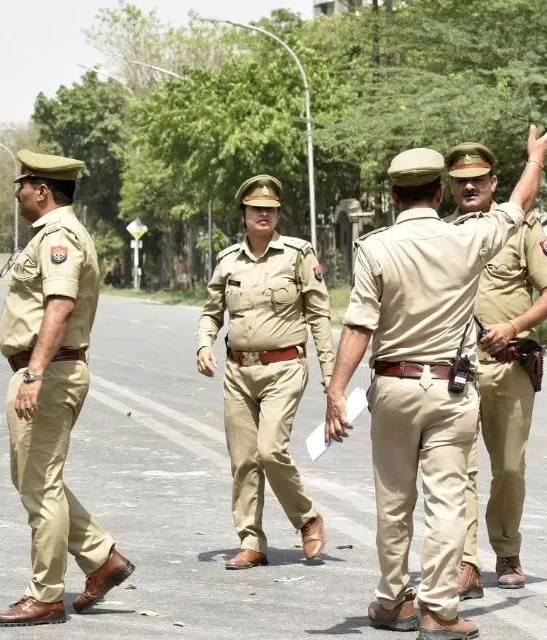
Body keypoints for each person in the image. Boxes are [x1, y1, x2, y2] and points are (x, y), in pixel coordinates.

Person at [325, 130, 547, 638]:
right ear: (441, 192)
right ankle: (439, 610)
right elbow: (517, 204)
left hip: (394, 388)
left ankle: (390, 601)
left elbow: (358, 325)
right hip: (452, 390)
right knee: (448, 499)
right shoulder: (468, 237)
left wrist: (336, 391)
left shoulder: (374, 248)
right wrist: (534, 159)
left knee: (394, 498)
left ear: (395, 195)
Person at [0, 150, 135, 627]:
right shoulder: (50, 235)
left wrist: (33, 374)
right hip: (45, 369)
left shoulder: (59, 237)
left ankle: (45, 595)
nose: (18, 194)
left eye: (22, 185)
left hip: (48, 372)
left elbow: (59, 306)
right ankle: (101, 557)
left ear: (42, 190)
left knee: (40, 486)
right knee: (33, 479)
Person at [195, 175, 332, 570]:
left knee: (270, 450)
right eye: (257, 209)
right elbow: (211, 312)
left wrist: (329, 376)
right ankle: (252, 541)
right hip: (238, 372)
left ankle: (307, 519)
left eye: (271, 210)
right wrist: (204, 344)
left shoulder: (297, 255)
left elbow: (320, 317)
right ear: (244, 214)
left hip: (285, 367)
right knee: (243, 460)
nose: (264, 215)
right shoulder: (227, 261)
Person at [445, 143, 547, 599]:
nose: (469, 187)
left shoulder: (524, 229)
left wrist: (514, 326)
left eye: (478, 180)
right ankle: (467, 561)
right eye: (460, 180)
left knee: (508, 468)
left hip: (509, 367)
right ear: (449, 186)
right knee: (459, 470)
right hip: (457, 371)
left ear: (493, 184)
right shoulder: (441, 234)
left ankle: (507, 550)